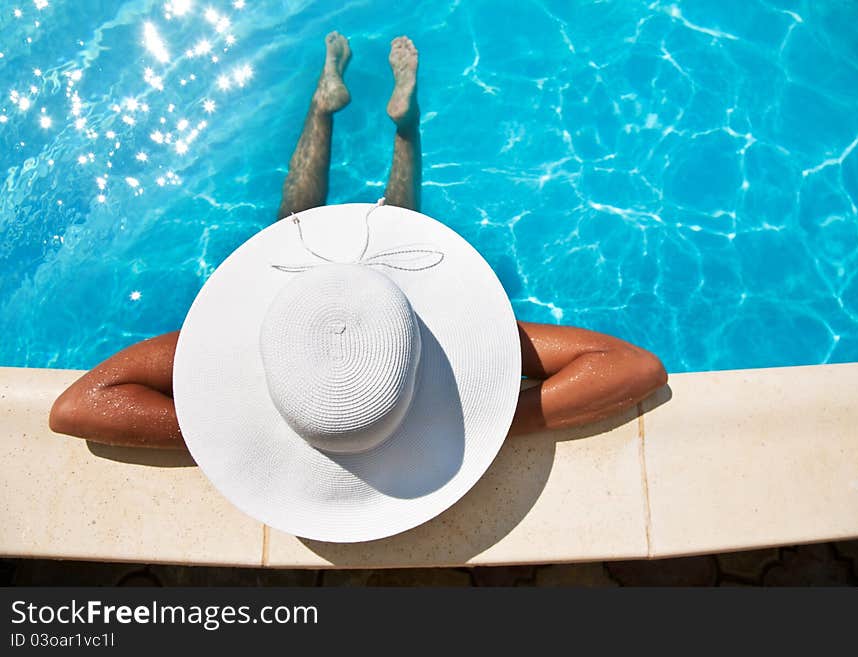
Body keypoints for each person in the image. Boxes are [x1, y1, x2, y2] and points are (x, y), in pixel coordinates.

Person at [48, 33, 667, 451]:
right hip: (362, 308)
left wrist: (245, 426)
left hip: (299, 309)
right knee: (375, 227)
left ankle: (334, 108)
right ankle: (390, 121)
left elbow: (78, 406)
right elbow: (634, 367)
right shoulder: (443, 346)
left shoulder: (252, 349)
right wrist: (486, 420)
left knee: (310, 218)